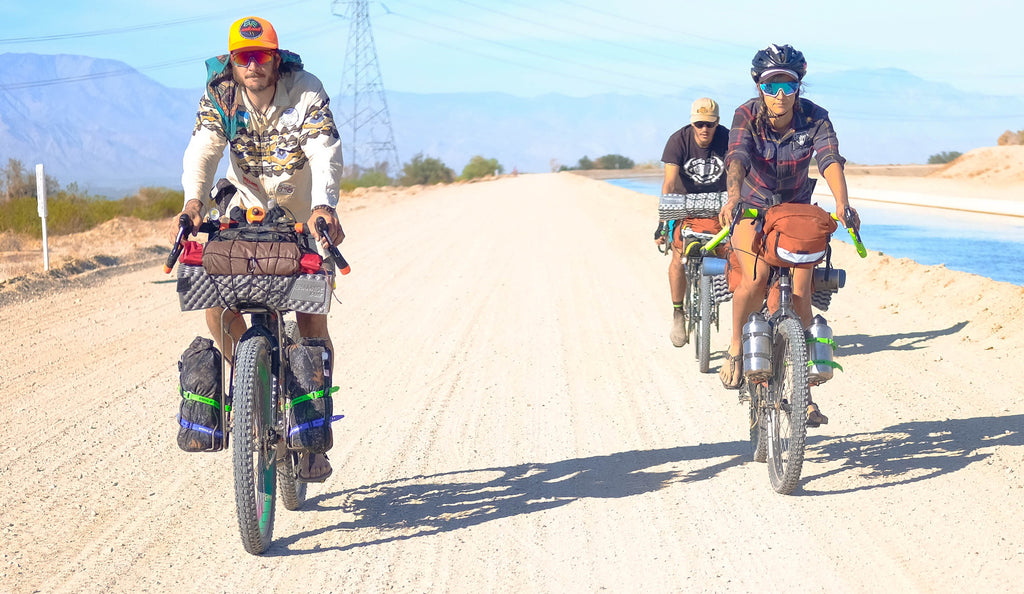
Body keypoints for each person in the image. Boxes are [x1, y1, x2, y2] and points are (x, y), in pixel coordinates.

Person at [176, 16, 345, 481]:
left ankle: (312, 430)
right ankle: (257, 382)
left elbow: (325, 150)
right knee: (216, 305)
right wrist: (194, 201)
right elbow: (204, 149)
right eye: (243, 58)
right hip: (245, 209)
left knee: (311, 317)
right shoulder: (221, 95)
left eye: (261, 56)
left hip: (302, 212)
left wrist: (324, 206)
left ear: (276, 58)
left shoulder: (305, 89)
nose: (252, 66)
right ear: (232, 62)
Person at [717, 44, 860, 427]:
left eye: (789, 85)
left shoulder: (815, 118)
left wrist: (843, 205)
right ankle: (735, 346)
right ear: (758, 85)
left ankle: (804, 395)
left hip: (796, 209)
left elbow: (829, 159)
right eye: (771, 85)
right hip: (753, 205)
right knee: (756, 278)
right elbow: (738, 158)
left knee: (800, 293)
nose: (780, 95)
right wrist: (733, 197)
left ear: (799, 85)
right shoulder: (746, 115)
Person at [656, 97, 729, 347]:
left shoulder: (729, 139)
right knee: (678, 257)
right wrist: (664, 222)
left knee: (734, 252)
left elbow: (739, 177)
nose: (704, 130)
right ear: (692, 123)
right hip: (686, 205)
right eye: (699, 124)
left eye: (709, 124)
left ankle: (714, 291)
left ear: (717, 123)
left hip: (720, 207)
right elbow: (669, 183)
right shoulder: (678, 140)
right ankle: (678, 313)